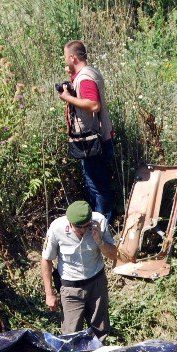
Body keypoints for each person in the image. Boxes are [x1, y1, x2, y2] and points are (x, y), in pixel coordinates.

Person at [41, 200, 117, 339]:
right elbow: (46, 260)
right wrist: (49, 293)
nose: (83, 230)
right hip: (71, 289)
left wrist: (99, 241)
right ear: (70, 222)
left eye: (86, 226)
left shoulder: (99, 221)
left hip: (96, 285)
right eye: (79, 227)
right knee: (71, 335)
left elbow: (114, 255)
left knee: (100, 331)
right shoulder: (56, 228)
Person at [57, 40, 115, 223]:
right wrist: (72, 78)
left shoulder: (85, 78)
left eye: (66, 57)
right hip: (98, 138)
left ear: (73, 57)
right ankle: (100, 223)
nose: (65, 61)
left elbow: (93, 104)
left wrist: (67, 97)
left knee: (97, 186)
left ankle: (101, 227)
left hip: (93, 141)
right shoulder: (89, 73)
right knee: (97, 183)